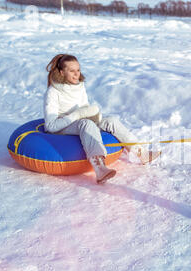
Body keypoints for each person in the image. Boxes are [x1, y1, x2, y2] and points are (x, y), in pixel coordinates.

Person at [43, 54, 160, 184]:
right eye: (72, 71)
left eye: (78, 70)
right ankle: (100, 169)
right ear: (61, 72)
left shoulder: (79, 86)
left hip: (80, 121)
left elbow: (84, 108)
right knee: (86, 124)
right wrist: (76, 115)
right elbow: (50, 126)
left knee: (111, 121)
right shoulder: (53, 92)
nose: (76, 74)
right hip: (62, 127)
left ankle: (140, 153)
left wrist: (93, 115)